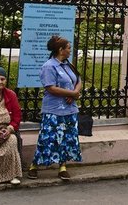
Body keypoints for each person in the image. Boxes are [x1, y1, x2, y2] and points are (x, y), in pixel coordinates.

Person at [27, 35, 83, 180]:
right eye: (68, 48)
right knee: (47, 138)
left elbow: (78, 79)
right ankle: (34, 165)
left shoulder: (68, 65)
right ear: (60, 49)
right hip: (53, 109)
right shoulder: (49, 66)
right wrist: (72, 93)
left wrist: (75, 92)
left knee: (66, 138)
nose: (70, 50)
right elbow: (50, 87)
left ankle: (62, 167)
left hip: (69, 109)